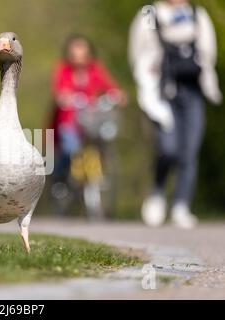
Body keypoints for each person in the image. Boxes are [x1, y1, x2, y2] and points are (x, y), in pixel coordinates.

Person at [129, 0, 222, 228]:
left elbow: (208, 50)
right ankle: (158, 193)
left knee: (189, 151)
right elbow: (138, 49)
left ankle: (181, 204)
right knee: (168, 147)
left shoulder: (195, 13)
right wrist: (148, 72)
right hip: (160, 91)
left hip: (192, 89)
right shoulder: (150, 14)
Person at [51, 35, 125, 182]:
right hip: (69, 121)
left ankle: (92, 181)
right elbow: (60, 92)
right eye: (74, 52)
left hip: (91, 121)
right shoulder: (63, 70)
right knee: (70, 150)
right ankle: (59, 180)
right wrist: (65, 98)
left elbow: (110, 86)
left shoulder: (95, 69)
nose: (78, 56)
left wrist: (118, 95)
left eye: (82, 52)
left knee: (100, 146)